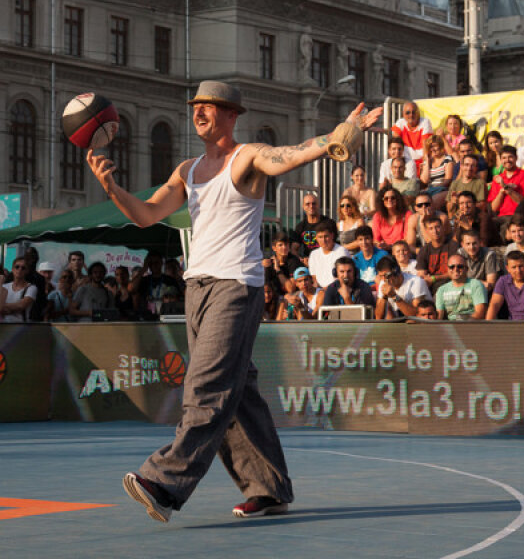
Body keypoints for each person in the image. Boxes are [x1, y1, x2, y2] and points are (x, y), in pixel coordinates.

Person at [87, 80, 379, 522]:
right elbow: (146, 215)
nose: (199, 112)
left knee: (205, 387)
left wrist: (338, 135)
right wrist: (110, 188)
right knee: (238, 393)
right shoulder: (187, 170)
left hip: (235, 287)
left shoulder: (248, 158)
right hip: (197, 288)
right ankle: (269, 488)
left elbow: (295, 152)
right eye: (196, 107)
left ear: (231, 114)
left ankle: (164, 481)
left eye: (210, 106)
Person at [486, 249, 524, 320]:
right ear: (507, 268)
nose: (518, 271)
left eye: (520, 266)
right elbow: (494, 305)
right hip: (513, 325)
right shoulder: (503, 281)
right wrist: (488, 327)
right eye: (514, 267)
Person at [372, 255, 432, 319]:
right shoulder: (383, 283)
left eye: (386, 275)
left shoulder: (416, 282)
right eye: (381, 276)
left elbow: (417, 315)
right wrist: (384, 297)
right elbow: (378, 317)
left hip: (420, 324)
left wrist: (394, 296)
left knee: (411, 321)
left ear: (396, 271)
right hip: (398, 322)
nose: (384, 279)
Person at [488, 146, 524, 226]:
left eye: (510, 157)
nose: (507, 160)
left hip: (519, 216)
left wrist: (505, 187)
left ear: (516, 158)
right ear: (501, 160)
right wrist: (502, 192)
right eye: (504, 158)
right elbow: (494, 208)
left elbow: (522, 202)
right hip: (501, 217)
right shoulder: (498, 178)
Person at [435, 253, 488, 320]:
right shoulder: (441, 289)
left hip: (472, 326)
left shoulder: (476, 285)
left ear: (467, 269)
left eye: (460, 266)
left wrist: (463, 327)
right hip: (451, 327)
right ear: (447, 269)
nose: (456, 269)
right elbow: (439, 316)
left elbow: (480, 313)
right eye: (452, 267)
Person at [415, 213, 457, 292]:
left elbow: (455, 272)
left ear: (443, 228)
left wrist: (434, 278)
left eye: (437, 227)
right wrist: (426, 279)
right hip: (430, 286)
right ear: (427, 231)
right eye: (431, 228)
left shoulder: (453, 246)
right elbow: (421, 273)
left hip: (450, 284)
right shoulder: (424, 250)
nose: (435, 231)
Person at [370, 186, 416, 252]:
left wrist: (391, 246)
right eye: (386, 198)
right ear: (382, 201)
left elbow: (408, 239)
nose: (389, 200)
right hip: (383, 251)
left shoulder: (407, 215)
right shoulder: (377, 216)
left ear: (398, 200)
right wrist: (380, 245)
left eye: (393, 198)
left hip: (401, 251)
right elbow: (376, 239)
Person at [306, 221, 350, 290]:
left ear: (332, 236)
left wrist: (326, 290)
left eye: (326, 236)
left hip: (338, 289)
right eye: (320, 237)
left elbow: (342, 278)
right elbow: (314, 278)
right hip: (320, 290)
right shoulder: (314, 254)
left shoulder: (341, 251)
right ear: (316, 238)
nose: (323, 240)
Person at [391, 101, 433, 172]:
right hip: (404, 162)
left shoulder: (425, 122)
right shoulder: (400, 122)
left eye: (414, 112)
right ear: (403, 114)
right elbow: (396, 142)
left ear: (418, 113)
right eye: (408, 113)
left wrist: (425, 164)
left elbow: (425, 145)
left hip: (420, 161)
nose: (411, 115)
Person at [418, 135, 456, 209]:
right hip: (429, 190)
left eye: (435, 146)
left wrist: (434, 188)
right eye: (430, 147)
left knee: (430, 202)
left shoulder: (447, 159)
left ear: (441, 146)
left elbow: (447, 181)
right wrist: (427, 162)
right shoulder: (428, 161)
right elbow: (424, 180)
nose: (433, 149)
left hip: (442, 189)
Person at [457, 229, 499, 293]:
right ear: (462, 244)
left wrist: (466, 282)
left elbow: (490, 285)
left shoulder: (489, 254)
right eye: (468, 244)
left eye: (474, 243)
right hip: (467, 289)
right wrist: (479, 282)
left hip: (482, 292)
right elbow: (458, 279)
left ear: (480, 242)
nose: (471, 247)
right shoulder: (460, 253)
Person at [1, 258, 38, 323]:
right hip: (2, 325)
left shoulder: (31, 288)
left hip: (21, 327)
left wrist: (1, 306)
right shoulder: (4, 287)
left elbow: (21, 305)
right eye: (17, 267)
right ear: (12, 269)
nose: (19, 269)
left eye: (23, 268)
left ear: (27, 271)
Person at [292, 193, 328, 258]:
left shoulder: (328, 223)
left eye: (314, 203)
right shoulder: (300, 227)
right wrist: (301, 260)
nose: (311, 206)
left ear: (318, 205)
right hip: (308, 260)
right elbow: (293, 249)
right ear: (303, 207)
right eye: (307, 204)